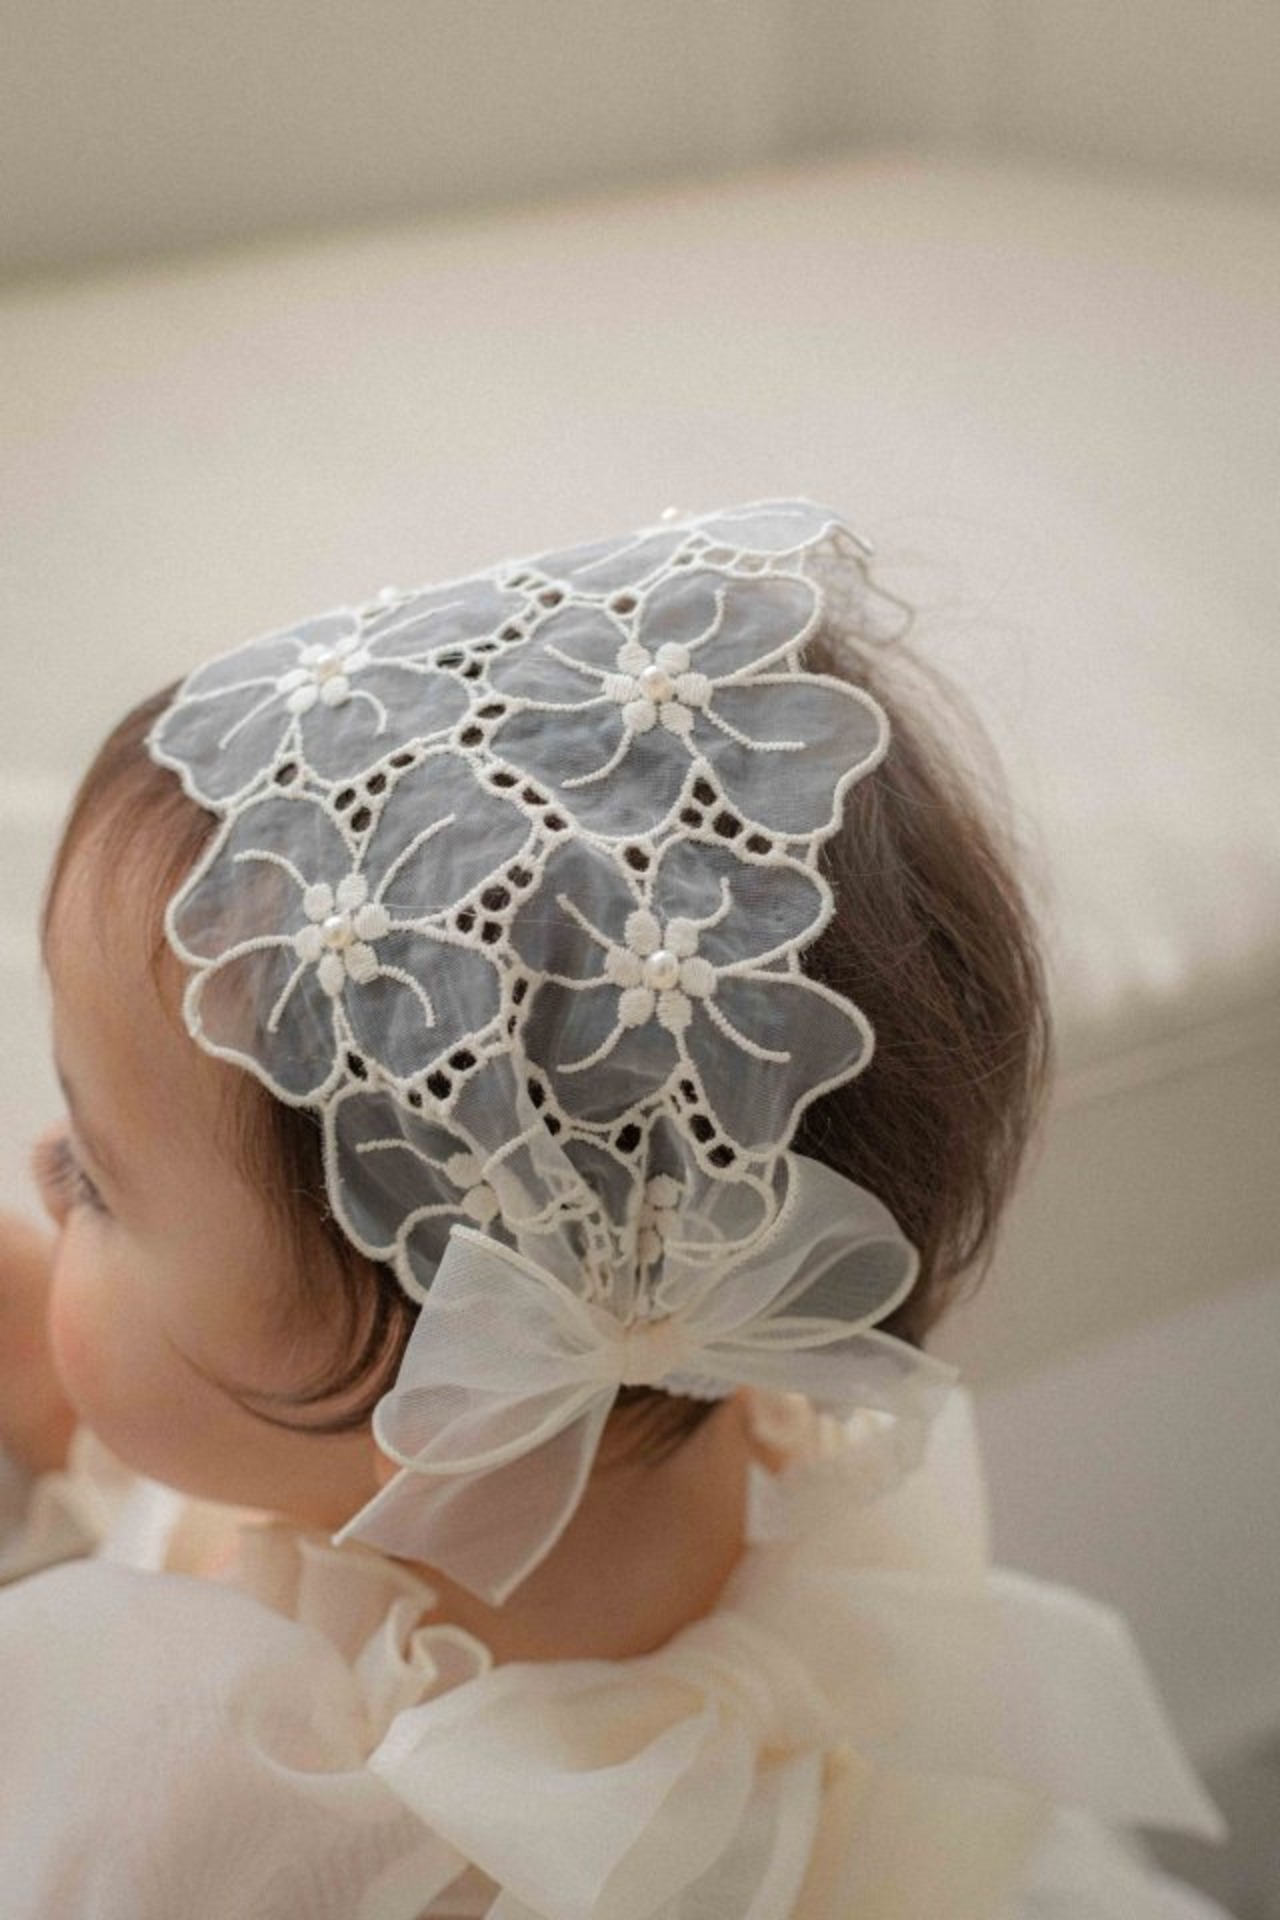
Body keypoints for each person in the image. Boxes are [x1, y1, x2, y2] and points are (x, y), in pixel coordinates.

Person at [0, 499, 1236, 1918]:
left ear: (460, 1380)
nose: (42, 1164)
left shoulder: (251, 1803)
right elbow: (239, 1423)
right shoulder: (675, 1369)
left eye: (98, 1182)